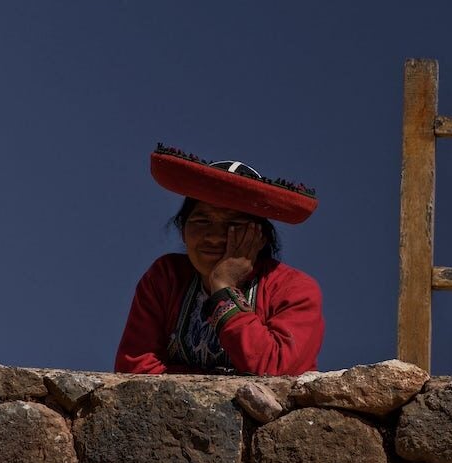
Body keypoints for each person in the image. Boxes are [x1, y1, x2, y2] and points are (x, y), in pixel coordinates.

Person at [115, 144, 324, 376]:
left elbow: (278, 368)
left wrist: (223, 287)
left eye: (233, 225)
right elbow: (133, 368)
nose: (214, 237)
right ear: (183, 230)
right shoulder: (166, 277)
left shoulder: (293, 289)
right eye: (202, 221)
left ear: (260, 237)